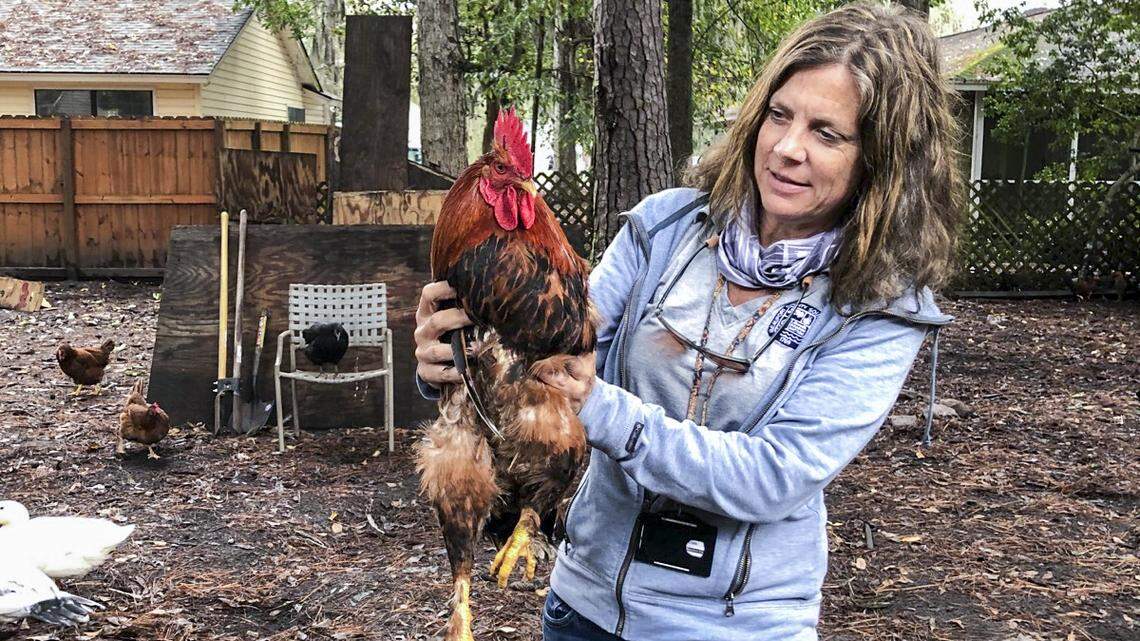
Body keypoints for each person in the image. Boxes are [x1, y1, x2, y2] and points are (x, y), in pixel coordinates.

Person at [414, 2, 962, 639]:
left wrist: (601, 408)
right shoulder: (666, 229)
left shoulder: (880, 310)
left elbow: (771, 476)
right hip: (586, 604)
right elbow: (559, 344)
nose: (788, 148)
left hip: (732, 625)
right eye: (779, 116)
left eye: (826, 133)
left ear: (882, 162)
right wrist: (463, 359)